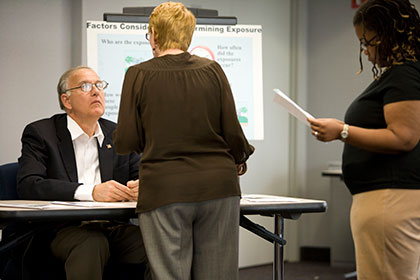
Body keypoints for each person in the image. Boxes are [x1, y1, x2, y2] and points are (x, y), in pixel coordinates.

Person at [113, 2, 254, 279]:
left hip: (165, 188)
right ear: (189, 34)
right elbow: (233, 133)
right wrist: (240, 159)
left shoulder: (137, 74)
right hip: (218, 187)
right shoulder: (213, 70)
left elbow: (126, 140)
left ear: (153, 33)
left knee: (169, 274)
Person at [308, 0, 420, 279]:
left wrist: (342, 131)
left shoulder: (404, 75)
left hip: (390, 202)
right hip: (388, 199)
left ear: (385, 35)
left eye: (366, 42)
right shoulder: (402, 74)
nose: (366, 52)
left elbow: (404, 137)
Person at [17, 66, 149, 280]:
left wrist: (141, 187)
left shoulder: (118, 134)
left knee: (156, 242)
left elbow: (140, 175)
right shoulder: (41, 133)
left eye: (99, 85)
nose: (96, 91)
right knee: (91, 243)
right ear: (66, 101)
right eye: (86, 86)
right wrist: (91, 192)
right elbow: (29, 184)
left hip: (111, 226)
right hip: (59, 230)